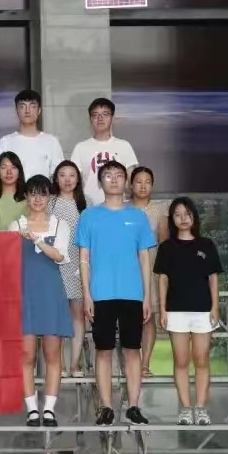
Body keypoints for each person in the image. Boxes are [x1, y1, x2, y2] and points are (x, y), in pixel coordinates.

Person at [77, 160, 156, 426]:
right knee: (103, 350)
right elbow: (84, 258)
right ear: (100, 182)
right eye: (108, 175)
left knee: (133, 350)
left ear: (126, 182)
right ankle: (106, 407)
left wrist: (147, 296)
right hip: (101, 294)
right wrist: (87, 294)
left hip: (132, 294)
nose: (113, 179)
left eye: (119, 175)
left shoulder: (138, 216)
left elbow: (144, 258)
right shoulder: (89, 216)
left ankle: (133, 406)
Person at [9, 175, 73, 428]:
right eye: (33, 194)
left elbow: (59, 256)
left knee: (52, 353)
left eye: (42, 194)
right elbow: (6, 259)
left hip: (50, 292)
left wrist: (36, 239)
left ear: (49, 197)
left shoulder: (60, 225)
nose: (37, 199)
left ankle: (49, 409)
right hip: (24, 292)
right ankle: (32, 409)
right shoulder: (16, 225)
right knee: (26, 353)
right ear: (26, 196)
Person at [155, 197, 222, 427]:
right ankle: (185, 408)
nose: (183, 218)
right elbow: (162, 279)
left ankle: (201, 408)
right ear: (172, 219)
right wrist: (162, 310)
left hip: (203, 311)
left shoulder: (206, 245)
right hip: (176, 312)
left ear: (194, 216)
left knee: (201, 359)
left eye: (187, 213)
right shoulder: (166, 248)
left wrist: (215, 307)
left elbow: (213, 278)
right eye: (178, 214)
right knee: (181, 360)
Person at [49, 160, 89, 378]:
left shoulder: (86, 203)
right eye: (62, 175)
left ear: (78, 179)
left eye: (72, 175)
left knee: (78, 316)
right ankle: (60, 365)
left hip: (79, 265)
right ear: (56, 179)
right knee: (57, 317)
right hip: (54, 264)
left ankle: (74, 364)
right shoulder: (50, 202)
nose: (67, 179)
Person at [131, 167, 169, 379]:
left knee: (148, 318)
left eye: (147, 182)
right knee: (128, 318)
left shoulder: (160, 210)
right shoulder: (122, 208)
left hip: (152, 266)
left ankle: (145, 363)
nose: (143, 186)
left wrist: (163, 273)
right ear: (131, 185)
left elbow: (164, 243)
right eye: (139, 181)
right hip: (127, 267)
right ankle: (131, 363)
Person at [70, 98, 139, 206]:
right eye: (95, 115)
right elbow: (73, 182)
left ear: (113, 118)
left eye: (105, 114)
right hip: (88, 207)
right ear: (90, 119)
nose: (100, 118)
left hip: (118, 206)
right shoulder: (80, 148)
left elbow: (132, 182)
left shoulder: (124, 146)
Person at [0, 90, 64, 182]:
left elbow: (58, 176)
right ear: (16, 111)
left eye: (32, 106)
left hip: (42, 191)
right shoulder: (5, 142)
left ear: (39, 110)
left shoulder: (51, 141)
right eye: (22, 106)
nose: (27, 111)